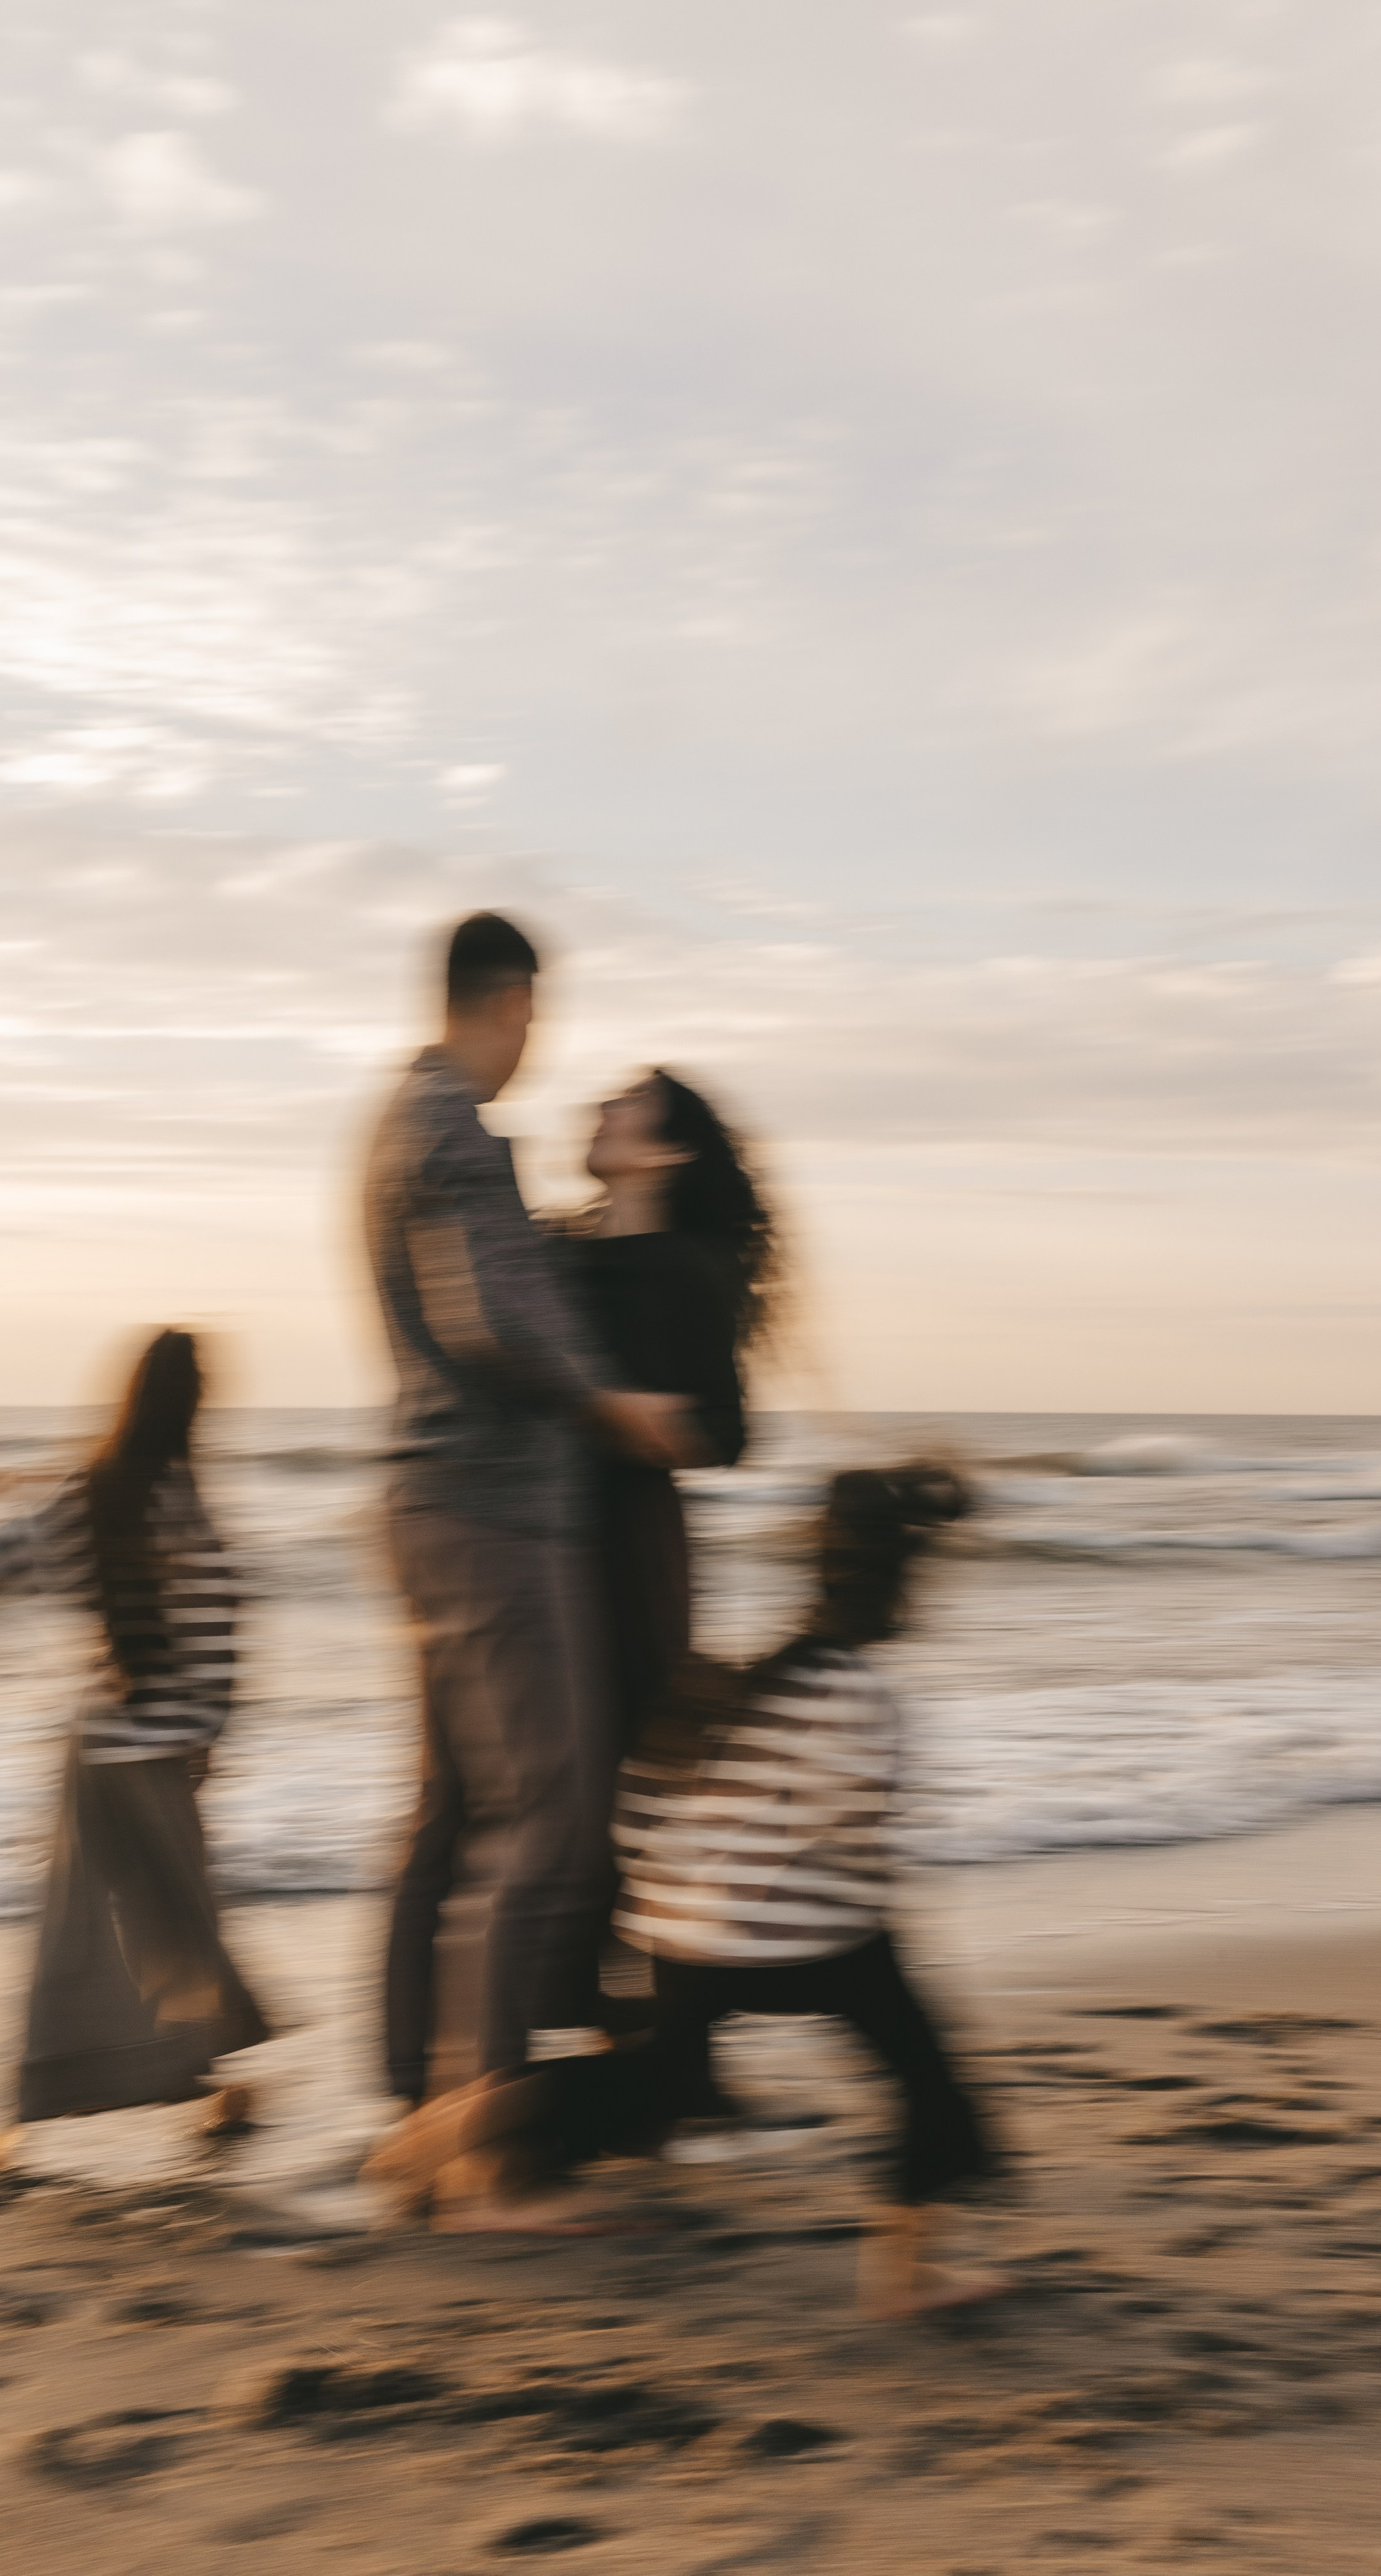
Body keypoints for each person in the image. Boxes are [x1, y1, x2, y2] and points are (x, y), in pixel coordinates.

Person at [365, 1464, 1005, 2309]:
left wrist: (653, 1924)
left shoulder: (736, 1684)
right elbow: (850, 1841)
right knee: (928, 2081)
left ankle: (441, 2129)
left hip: (674, 1938)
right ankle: (905, 2275)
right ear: (901, 1586)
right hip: (804, 1940)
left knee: (652, 2078)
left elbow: (641, 1810)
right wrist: (854, 1921)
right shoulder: (859, 1693)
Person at [364, 912, 685, 2127]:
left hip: (432, 1502)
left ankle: (419, 2095)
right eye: (537, 1015)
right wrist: (614, 1404)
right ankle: (481, 2133)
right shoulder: (456, 1130)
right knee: (546, 1808)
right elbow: (485, 1316)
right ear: (513, 1004)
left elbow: (487, 1292)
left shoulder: (398, 1119)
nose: (537, 1041)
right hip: (493, 1510)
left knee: (453, 1813)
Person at [0, 1328, 267, 2173]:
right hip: (169, 1750)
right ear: (198, 1404)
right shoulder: (187, 1502)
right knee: (177, 1921)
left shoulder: (92, 1492)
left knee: (85, 1927)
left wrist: (12, 1496)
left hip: (103, 1749)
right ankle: (205, 2082)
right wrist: (213, 1736)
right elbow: (221, 1636)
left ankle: (29, 2116)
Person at [565, 1067, 779, 1748]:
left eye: (632, 1102)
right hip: (536, 1523)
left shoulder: (687, 1268)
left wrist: (635, 1421)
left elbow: (729, 1432)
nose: (603, 1105)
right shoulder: (554, 1251)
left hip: (628, 1540)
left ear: (670, 1151)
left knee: (623, 1745)